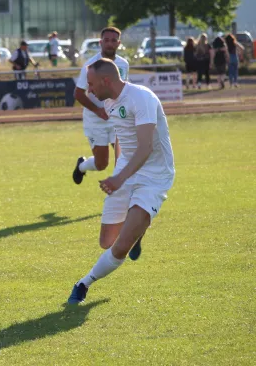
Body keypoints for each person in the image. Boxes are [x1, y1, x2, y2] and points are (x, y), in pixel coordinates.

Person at [67, 58, 175, 304]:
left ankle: (83, 284)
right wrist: (119, 172)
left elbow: (145, 147)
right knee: (106, 242)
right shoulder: (109, 101)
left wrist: (119, 178)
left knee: (120, 247)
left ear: (106, 80)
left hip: (154, 176)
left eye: (91, 84)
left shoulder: (142, 98)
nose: (89, 90)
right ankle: (137, 225)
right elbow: (121, 139)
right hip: (126, 171)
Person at [72, 27, 129, 184]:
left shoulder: (123, 64)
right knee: (101, 164)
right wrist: (98, 110)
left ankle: (123, 198)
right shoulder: (90, 66)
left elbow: (122, 90)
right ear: (100, 42)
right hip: (95, 121)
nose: (109, 44)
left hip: (116, 118)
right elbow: (78, 94)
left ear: (119, 43)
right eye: (106, 40)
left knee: (123, 159)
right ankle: (82, 166)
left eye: (113, 41)